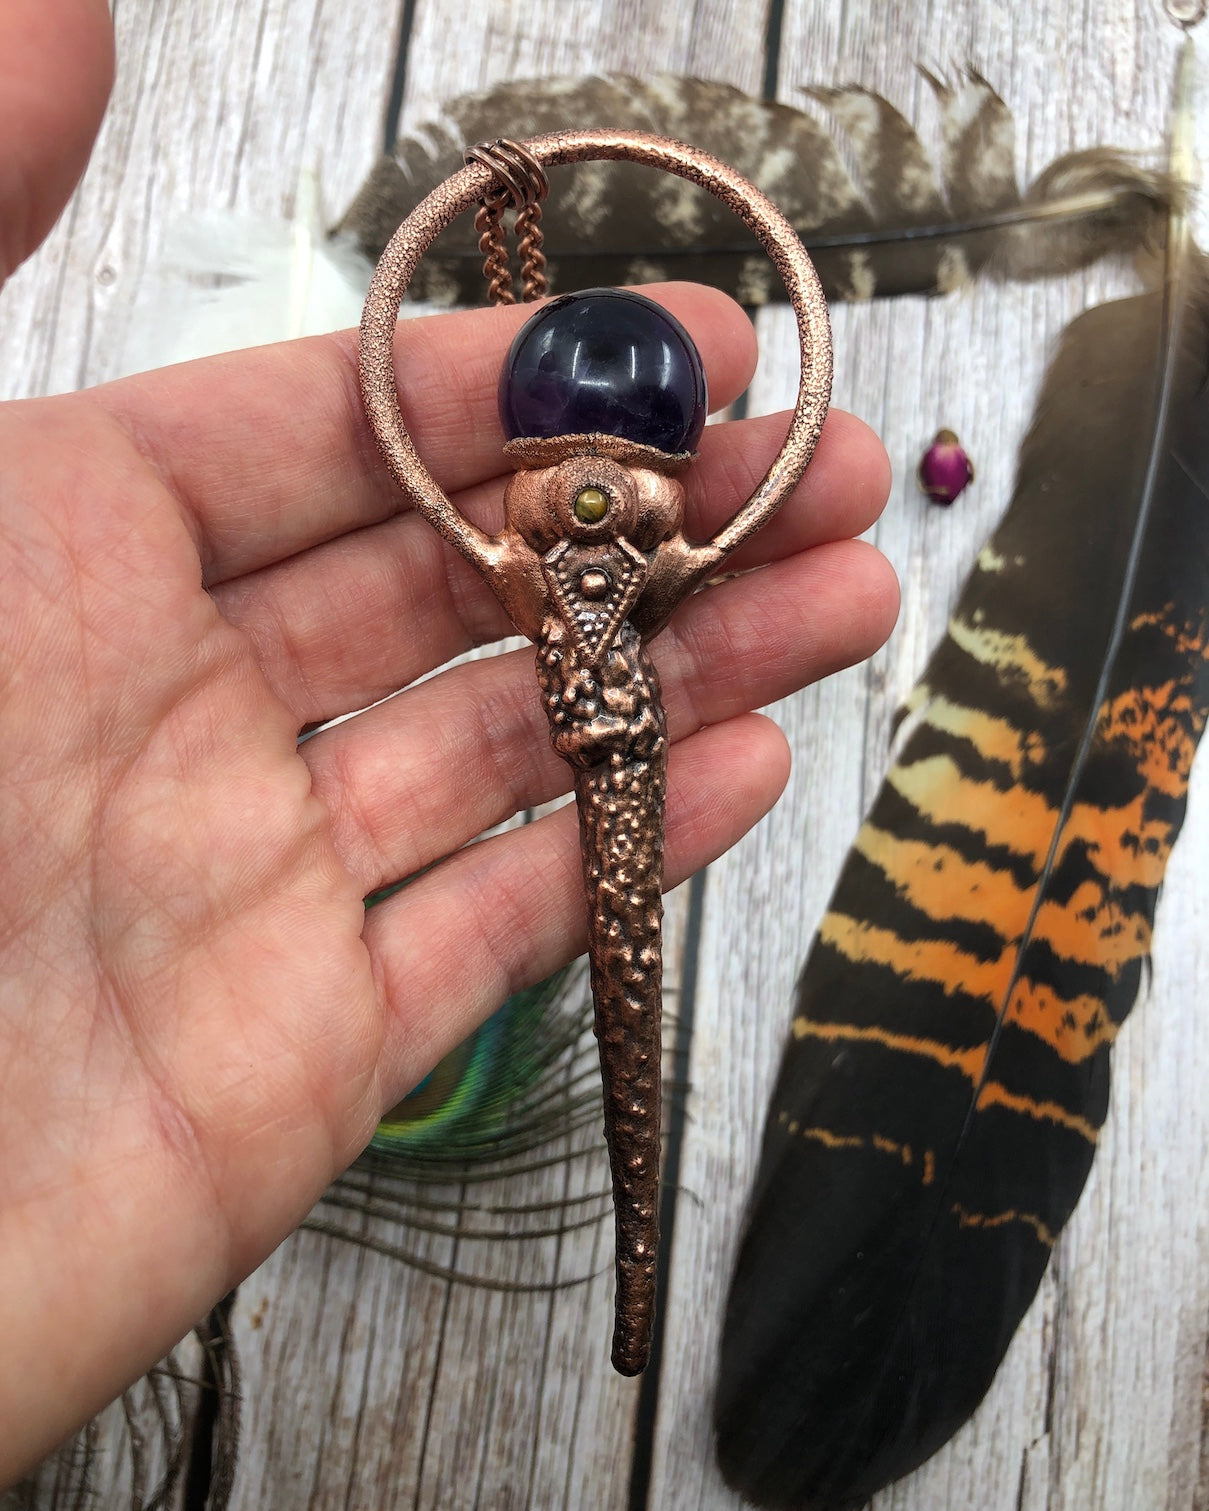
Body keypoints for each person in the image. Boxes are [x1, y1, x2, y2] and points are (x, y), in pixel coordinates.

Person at [0, 0, 897, 1487]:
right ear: (516, 511)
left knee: (625, 945)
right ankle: (631, 1283)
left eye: (633, 509)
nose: (600, 529)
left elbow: (709, 497)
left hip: (611, 727)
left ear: (677, 511)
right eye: (564, 508)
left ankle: (635, 1281)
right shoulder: (518, 549)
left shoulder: (630, 551)